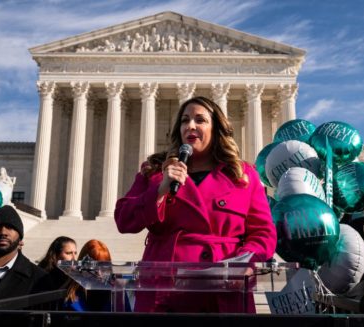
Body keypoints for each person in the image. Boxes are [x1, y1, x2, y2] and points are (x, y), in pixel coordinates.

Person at [114, 96, 277, 313]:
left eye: (200, 120)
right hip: (163, 290)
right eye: (184, 120)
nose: (190, 125)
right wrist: (160, 190)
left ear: (216, 128)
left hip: (224, 289)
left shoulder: (243, 175)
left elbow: (263, 232)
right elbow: (124, 219)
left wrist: (245, 262)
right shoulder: (154, 170)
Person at [63, 239, 113, 311]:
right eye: (94, 267)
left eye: (103, 267)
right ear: (83, 266)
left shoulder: (116, 293)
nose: (99, 273)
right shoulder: (71, 295)